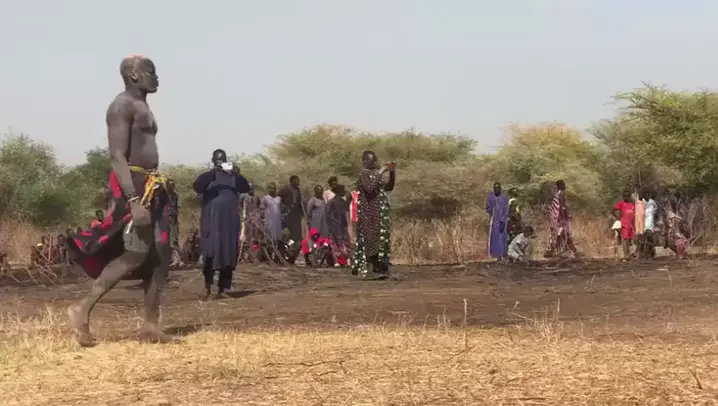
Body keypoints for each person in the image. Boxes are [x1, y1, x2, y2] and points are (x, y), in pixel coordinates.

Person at [67, 55, 175, 346]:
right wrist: (133, 200)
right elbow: (117, 156)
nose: (156, 77)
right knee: (136, 253)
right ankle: (82, 309)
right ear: (134, 75)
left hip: (151, 184)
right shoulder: (121, 105)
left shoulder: (142, 105)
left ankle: (150, 326)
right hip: (134, 186)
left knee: (160, 254)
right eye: (151, 72)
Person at [193, 149, 251, 300]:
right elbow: (197, 187)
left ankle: (223, 289)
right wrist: (213, 172)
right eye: (218, 160)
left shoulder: (233, 178)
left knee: (228, 253)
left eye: (223, 160)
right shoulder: (207, 177)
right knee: (210, 252)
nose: (221, 162)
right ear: (213, 161)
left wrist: (237, 174)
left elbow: (246, 188)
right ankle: (207, 287)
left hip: (229, 222)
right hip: (211, 222)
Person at [353, 151, 396, 278]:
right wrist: (381, 171)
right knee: (370, 240)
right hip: (368, 214)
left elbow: (388, 187)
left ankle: (379, 269)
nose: (375, 163)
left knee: (379, 241)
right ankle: (370, 270)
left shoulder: (374, 176)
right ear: (365, 161)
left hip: (378, 214)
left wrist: (392, 172)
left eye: (375, 160)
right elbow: (370, 188)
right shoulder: (363, 175)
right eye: (372, 160)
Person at [545, 180, 578, 258]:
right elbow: (562, 206)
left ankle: (570, 249)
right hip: (561, 217)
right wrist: (565, 215)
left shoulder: (557, 194)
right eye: (564, 184)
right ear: (562, 185)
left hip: (557, 216)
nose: (565, 186)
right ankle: (557, 249)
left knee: (564, 233)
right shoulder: (561, 193)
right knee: (563, 232)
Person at [325, 184, 351, 266]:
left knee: (340, 244)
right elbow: (328, 215)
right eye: (342, 191)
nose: (344, 192)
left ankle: (342, 261)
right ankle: (339, 261)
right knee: (337, 244)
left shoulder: (341, 202)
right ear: (339, 192)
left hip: (340, 226)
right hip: (335, 226)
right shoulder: (332, 202)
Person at [279, 175, 304, 248]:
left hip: (296, 214)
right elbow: (278, 198)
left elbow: (299, 203)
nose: (298, 182)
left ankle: (294, 248)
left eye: (298, 180)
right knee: (289, 233)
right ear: (292, 181)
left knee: (297, 234)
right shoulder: (286, 189)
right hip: (288, 214)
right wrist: (283, 208)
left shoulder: (298, 190)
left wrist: (302, 213)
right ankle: (287, 247)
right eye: (297, 180)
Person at [486, 182, 509, 261]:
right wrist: (493, 205)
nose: (496, 189)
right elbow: (488, 209)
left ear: (500, 189)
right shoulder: (491, 197)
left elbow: (506, 210)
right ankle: (496, 255)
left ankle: (502, 255)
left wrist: (503, 220)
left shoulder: (504, 198)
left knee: (502, 238)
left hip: (502, 221)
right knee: (495, 239)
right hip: (494, 220)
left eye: (498, 188)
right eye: (495, 188)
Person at [614, 190, 635, 260]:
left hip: (630, 224)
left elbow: (633, 214)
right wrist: (617, 218)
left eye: (628, 196)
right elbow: (613, 210)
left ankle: (628, 254)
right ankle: (626, 255)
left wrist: (633, 224)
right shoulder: (621, 203)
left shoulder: (631, 205)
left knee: (629, 240)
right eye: (625, 196)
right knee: (624, 239)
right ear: (623, 197)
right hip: (624, 223)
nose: (626, 197)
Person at [642, 188, 658, 259]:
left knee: (650, 238)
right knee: (647, 239)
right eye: (645, 195)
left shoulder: (652, 202)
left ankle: (652, 254)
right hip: (645, 223)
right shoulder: (642, 202)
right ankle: (649, 254)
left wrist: (654, 212)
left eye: (647, 195)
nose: (646, 196)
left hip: (651, 223)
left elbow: (656, 208)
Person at [634, 190, 646, 258]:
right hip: (637, 220)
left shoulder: (644, 201)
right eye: (640, 194)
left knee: (642, 236)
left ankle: (641, 252)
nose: (641, 195)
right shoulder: (636, 201)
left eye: (642, 194)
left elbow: (645, 209)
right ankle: (638, 251)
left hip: (642, 220)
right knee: (638, 236)